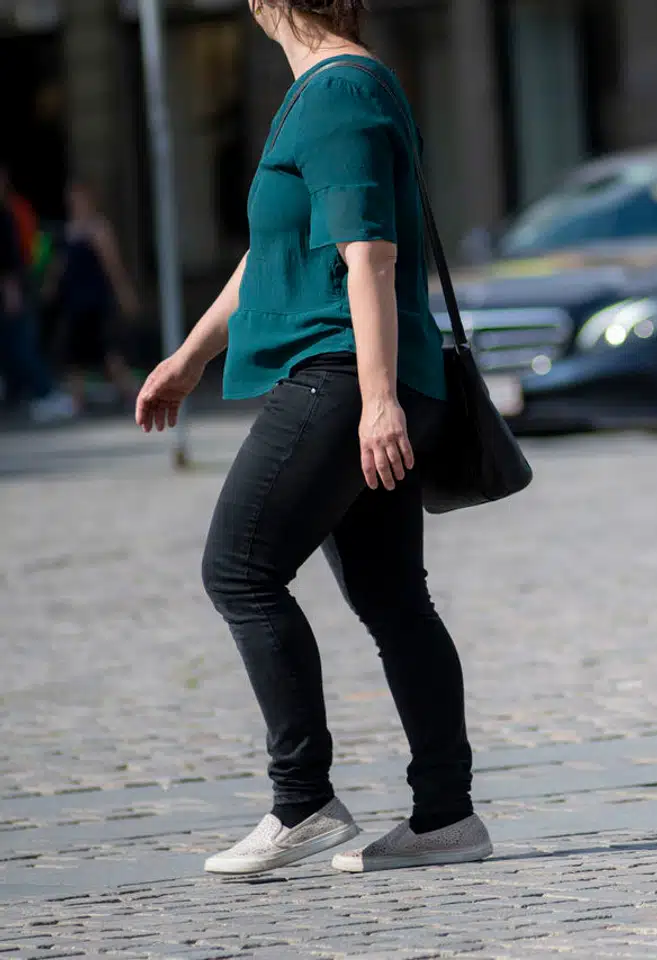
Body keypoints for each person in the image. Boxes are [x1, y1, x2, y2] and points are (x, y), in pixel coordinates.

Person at [134, 0, 489, 876]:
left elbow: (369, 255)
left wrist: (376, 402)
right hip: (354, 373)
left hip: (339, 375)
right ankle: (445, 818)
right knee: (393, 597)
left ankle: (303, 803)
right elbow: (277, 252)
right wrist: (188, 358)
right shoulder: (325, 93)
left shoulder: (340, 93)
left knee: (240, 570)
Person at [43, 181, 141, 413]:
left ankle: (130, 392)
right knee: (78, 352)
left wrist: (125, 294)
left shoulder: (98, 229)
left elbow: (112, 266)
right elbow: (60, 265)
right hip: (74, 301)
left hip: (94, 300)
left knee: (103, 352)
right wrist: (50, 287)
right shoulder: (68, 230)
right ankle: (79, 399)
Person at [0, 166, 75, 423]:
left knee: (20, 344)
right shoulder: (9, 211)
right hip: (15, 289)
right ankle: (32, 394)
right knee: (17, 345)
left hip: (17, 288)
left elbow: (14, 256)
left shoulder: (10, 211)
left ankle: (41, 393)